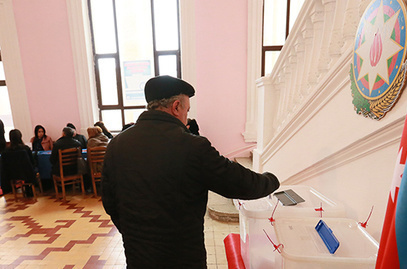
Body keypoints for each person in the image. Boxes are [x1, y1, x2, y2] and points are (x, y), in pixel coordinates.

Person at [102, 75, 280, 268]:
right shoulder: (192, 146)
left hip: (138, 257)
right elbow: (241, 183)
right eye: (187, 109)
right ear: (176, 107)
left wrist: (134, 234)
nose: (187, 115)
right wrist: (272, 180)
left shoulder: (117, 144)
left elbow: (109, 201)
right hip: (182, 258)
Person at [1, 129, 36, 195]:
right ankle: (29, 189)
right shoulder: (25, 149)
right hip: (26, 173)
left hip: (11, 174)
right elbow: (31, 162)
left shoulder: (5, 151)